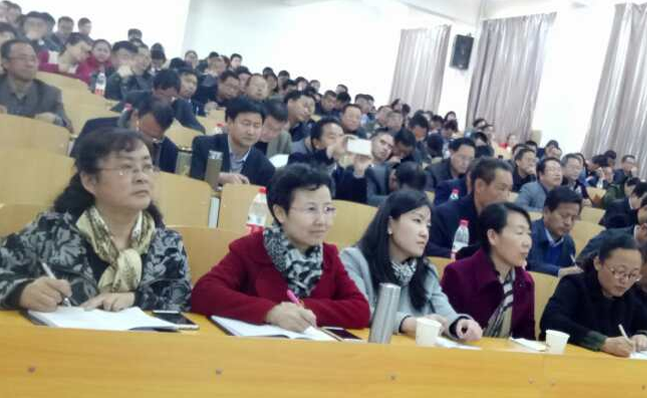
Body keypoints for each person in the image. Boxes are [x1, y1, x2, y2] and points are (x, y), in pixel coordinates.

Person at [0, 127, 191, 311]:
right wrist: (21, 291)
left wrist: (136, 300)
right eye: (126, 167)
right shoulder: (50, 231)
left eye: (147, 167)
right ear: (90, 181)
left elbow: (183, 306)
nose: (142, 177)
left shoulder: (168, 245)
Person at [191, 163, 371, 330]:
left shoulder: (329, 256)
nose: (322, 221)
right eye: (311, 209)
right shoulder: (251, 248)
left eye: (328, 209)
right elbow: (204, 293)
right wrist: (271, 312)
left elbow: (360, 310)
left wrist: (302, 309)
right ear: (280, 213)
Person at [341, 190, 482, 341]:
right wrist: (408, 323)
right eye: (417, 221)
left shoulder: (427, 271)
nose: (425, 233)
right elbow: (359, 310)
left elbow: (444, 312)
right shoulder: (354, 260)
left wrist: (460, 324)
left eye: (428, 225)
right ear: (390, 224)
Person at [539, 234, 647, 356]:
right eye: (620, 272)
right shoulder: (575, 284)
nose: (625, 281)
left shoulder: (628, 297)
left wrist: (646, 337)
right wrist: (602, 342)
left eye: (633, 275)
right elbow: (551, 321)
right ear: (598, 263)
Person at [441, 202, 535, 339]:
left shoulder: (526, 282)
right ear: (492, 236)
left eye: (529, 234)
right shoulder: (458, 274)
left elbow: (526, 338)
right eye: (519, 233)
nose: (527, 243)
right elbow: (445, 326)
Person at [426, 158, 513, 258]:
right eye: (501, 188)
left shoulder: (504, 221)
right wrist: (461, 257)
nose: (506, 197)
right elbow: (427, 249)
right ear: (479, 186)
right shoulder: (445, 214)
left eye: (509, 190)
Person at [72, 96, 178, 173]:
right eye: (143, 133)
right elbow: (78, 166)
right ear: (135, 115)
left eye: (154, 139)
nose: (145, 140)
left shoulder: (169, 151)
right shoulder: (95, 129)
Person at [190, 98, 276, 187]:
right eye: (246, 124)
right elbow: (190, 179)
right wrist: (218, 177)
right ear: (230, 122)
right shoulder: (203, 145)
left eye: (256, 126)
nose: (251, 132)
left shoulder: (265, 167)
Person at [0, 39, 72, 132]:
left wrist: (55, 120)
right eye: (22, 58)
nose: (30, 64)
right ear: (5, 63)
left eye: (33, 59)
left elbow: (68, 128)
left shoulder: (49, 93)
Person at [527, 187, 582, 277]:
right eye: (564, 216)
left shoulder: (568, 242)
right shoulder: (528, 234)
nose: (568, 223)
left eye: (573, 218)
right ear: (546, 212)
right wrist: (559, 271)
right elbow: (528, 265)